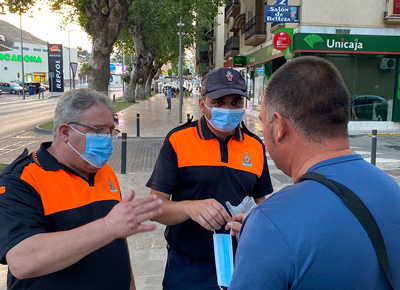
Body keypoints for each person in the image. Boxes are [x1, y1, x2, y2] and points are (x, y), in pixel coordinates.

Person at [226, 56, 400, 289]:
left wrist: (266, 232)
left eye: (263, 122)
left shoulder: (269, 225)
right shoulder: (392, 192)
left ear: (279, 126)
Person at [0, 88, 162, 290]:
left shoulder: (105, 172)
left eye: (110, 131)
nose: (107, 139)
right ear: (65, 132)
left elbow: (118, 239)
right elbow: (22, 261)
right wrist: (106, 228)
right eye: (97, 130)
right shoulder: (21, 180)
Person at [146, 67, 274, 289]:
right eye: (218, 101)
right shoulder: (178, 140)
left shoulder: (255, 145)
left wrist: (256, 220)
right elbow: (154, 207)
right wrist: (190, 208)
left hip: (242, 261)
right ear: (202, 103)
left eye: (235, 102)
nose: (228, 108)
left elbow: (261, 200)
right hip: (188, 267)